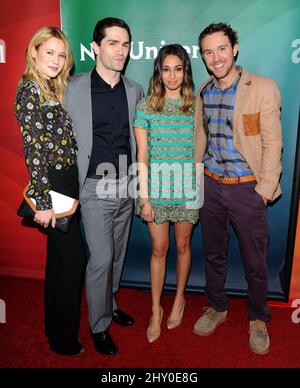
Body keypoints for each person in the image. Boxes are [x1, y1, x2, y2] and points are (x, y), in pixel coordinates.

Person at [193, 23, 283, 355]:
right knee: (214, 255)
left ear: (234, 49)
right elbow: (200, 138)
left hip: (248, 189)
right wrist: (197, 177)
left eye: (220, 49)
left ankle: (258, 318)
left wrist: (264, 190)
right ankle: (217, 307)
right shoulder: (205, 90)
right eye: (207, 51)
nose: (215, 57)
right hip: (212, 187)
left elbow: (274, 144)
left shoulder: (262, 87)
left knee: (254, 261)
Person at [64, 17, 143, 356]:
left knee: (118, 253)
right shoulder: (73, 87)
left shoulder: (134, 90)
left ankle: (109, 304)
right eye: (113, 43)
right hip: (93, 187)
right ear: (95, 47)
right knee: (102, 257)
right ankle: (99, 325)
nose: (120, 50)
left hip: (126, 184)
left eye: (125, 44)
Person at [14, 27, 86, 356]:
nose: (56, 60)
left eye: (61, 54)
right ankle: (63, 338)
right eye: (49, 53)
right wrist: (43, 203)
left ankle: (54, 329)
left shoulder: (52, 89)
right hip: (53, 185)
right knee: (73, 260)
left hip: (67, 180)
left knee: (58, 261)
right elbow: (34, 150)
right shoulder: (30, 89)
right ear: (35, 53)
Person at [134, 44, 199, 343]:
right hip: (156, 190)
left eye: (178, 69)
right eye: (166, 69)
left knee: (183, 246)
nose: (172, 76)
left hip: (186, 188)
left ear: (185, 71)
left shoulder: (196, 106)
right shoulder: (146, 106)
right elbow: (142, 154)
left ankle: (179, 300)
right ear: (158, 71)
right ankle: (155, 310)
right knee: (159, 249)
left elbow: (202, 148)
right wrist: (145, 198)